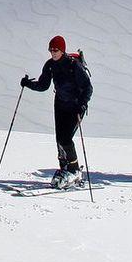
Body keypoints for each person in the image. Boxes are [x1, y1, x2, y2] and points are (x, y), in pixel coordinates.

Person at [20, 35, 93, 186]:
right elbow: (43, 85)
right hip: (60, 104)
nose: (53, 53)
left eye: (56, 50)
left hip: (75, 106)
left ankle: (74, 170)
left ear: (62, 50)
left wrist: (82, 104)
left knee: (66, 138)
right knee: (59, 139)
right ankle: (64, 169)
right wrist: (28, 84)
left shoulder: (73, 65)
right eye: (51, 50)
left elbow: (88, 87)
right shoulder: (50, 65)